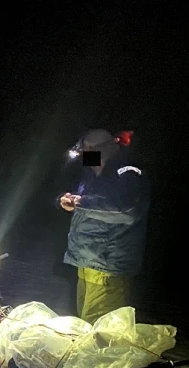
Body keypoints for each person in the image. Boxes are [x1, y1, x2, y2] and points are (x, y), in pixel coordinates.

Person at [56, 128, 150, 323]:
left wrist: (80, 204)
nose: (85, 153)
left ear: (110, 148)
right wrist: (65, 201)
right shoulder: (91, 175)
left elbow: (125, 211)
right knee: (85, 323)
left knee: (100, 331)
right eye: (84, 148)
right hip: (86, 261)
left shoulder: (128, 174)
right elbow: (83, 203)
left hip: (108, 266)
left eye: (91, 148)